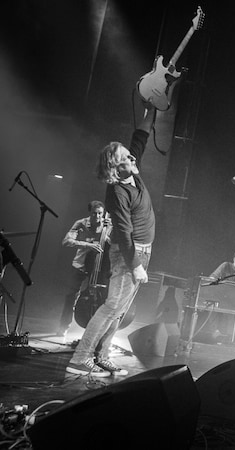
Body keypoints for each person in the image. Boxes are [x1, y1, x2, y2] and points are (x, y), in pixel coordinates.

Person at [66, 102, 157, 377]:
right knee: (112, 307)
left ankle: (101, 355)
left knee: (119, 310)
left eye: (131, 156)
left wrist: (153, 106)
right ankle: (80, 359)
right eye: (127, 158)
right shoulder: (117, 192)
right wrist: (136, 265)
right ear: (115, 167)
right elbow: (124, 231)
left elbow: (140, 137)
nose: (133, 158)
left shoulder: (131, 174)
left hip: (142, 250)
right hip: (129, 253)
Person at [58, 200, 111, 337]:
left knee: (100, 300)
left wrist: (108, 233)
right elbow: (66, 241)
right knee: (71, 297)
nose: (98, 217)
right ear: (90, 213)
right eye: (95, 214)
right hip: (80, 265)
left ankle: (94, 330)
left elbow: (113, 244)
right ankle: (64, 326)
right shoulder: (80, 223)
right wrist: (87, 245)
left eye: (100, 213)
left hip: (98, 269)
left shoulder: (108, 224)